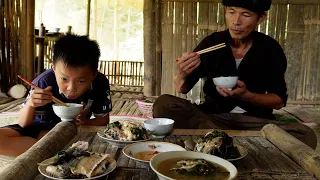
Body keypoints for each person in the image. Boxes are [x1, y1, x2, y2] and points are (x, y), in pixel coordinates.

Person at [153, 0, 317, 149]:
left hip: (254, 122)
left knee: (304, 134)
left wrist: (246, 96)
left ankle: (218, 139)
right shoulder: (212, 43)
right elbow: (182, 88)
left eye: (246, 15)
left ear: (260, 18)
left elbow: (279, 101)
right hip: (212, 117)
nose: (236, 21)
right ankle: (237, 141)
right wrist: (182, 73)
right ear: (225, 11)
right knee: (163, 104)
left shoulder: (270, 49)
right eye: (231, 12)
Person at [0, 34, 112, 156]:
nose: (71, 88)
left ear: (94, 75)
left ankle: (46, 151)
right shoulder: (44, 82)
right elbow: (23, 123)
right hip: (38, 129)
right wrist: (31, 105)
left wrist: (84, 122)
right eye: (64, 79)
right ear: (53, 68)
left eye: (81, 81)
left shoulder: (100, 82)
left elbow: (103, 120)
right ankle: (54, 150)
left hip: (75, 131)